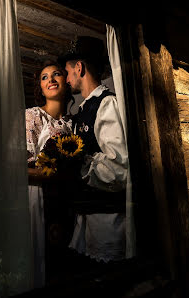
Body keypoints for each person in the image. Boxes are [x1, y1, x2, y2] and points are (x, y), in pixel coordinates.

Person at [58, 36, 129, 264]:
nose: (66, 79)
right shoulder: (83, 109)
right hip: (87, 214)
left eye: (67, 72)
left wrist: (79, 162)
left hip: (107, 220)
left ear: (79, 68)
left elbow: (118, 170)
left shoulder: (107, 104)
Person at [25, 60, 74, 288]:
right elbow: (16, 168)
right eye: (45, 77)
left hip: (67, 200)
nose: (51, 80)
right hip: (37, 197)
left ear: (67, 81)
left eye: (56, 75)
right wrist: (52, 174)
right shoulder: (32, 116)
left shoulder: (73, 123)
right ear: (40, 88)